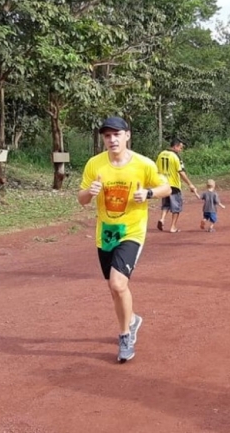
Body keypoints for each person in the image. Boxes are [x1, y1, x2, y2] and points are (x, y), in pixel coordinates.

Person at [78, 116, 170, 363]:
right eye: (107, 136)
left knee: (118, 284)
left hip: (132, 231)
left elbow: (167, 188)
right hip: (105, 233)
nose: (112, 139)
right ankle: (131, 319)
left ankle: (125, 335)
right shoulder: (95, 164)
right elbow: (81, 198)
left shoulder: (143, 164)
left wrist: (148, 193)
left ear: (127, 135)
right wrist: (90, 192)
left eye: (117, 134)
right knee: (114, 287)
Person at [155, 137, 197, 232]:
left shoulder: (161, 154)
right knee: (176, 206)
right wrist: (190, 184)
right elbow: (181, 171)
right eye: (180, 148)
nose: (181, 150)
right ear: (175, 146)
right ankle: (173, 227)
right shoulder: (176, 156)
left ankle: (162, 219)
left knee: (166, 204)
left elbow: (156, 169)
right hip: (174, 185)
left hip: (163, 185)